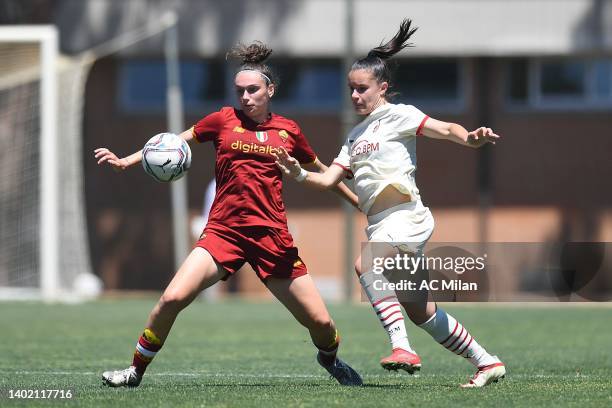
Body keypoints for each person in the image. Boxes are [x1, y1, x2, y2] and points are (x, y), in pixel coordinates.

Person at [95, 41, 362, 387]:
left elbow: (325, 173)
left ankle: (330, 360)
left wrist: (357, 202)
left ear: (270, 90)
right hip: (224, 233)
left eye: (253, 90)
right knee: (172, 298)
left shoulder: (289, 131)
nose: (246, 97)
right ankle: (134, 372)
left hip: (272, 237)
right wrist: (128, 161)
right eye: (240, 91)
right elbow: (174, 141)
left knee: (322, 324)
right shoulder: (222, 120)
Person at [274, 19, 506, 388]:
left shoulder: (401, 115)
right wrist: (296, 173)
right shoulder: (353, 136)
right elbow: (328, 181)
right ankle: (487, 362)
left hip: (407, 218)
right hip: (382, 225)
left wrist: (472, 139)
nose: (354, 96)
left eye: (362, 89)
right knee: (421, 311)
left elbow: (447, 129)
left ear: (382, 88)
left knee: (365, 265)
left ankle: (402, 348)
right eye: (350, 89)